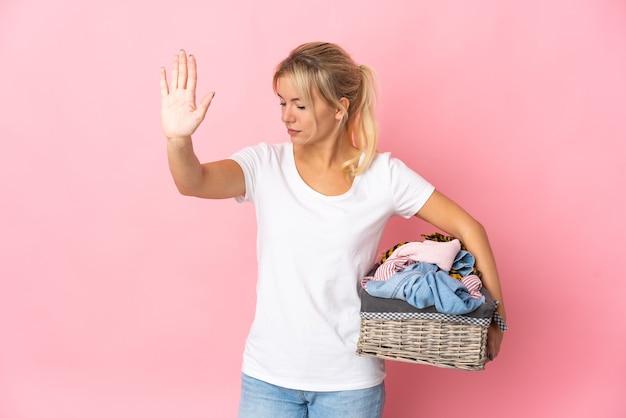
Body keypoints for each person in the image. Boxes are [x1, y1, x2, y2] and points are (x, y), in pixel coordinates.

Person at [160, 42, 506, 418]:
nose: (286, 116)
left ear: (340, 108)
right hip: (267, 379)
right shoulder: (265, 165)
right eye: (282, 102)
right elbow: (193, 181)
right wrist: (179, 140)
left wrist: (497, 320)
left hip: (349, 385)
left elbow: (470, 228)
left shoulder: (383, 176)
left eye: (300, 105)